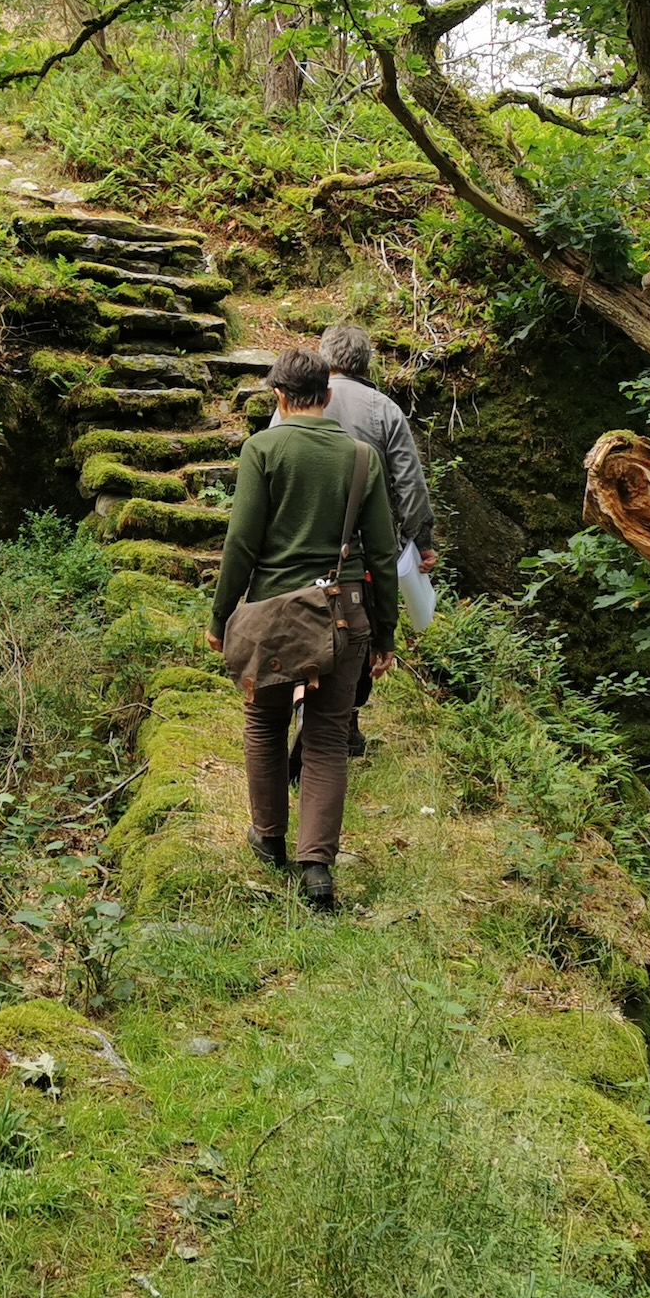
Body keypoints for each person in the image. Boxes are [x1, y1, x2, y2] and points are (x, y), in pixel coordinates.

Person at [207, 347, 399, 910]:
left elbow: (241, 543)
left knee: (264, 725)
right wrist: (384, 636)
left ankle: (268, 839)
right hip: (345, 614)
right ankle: (317, 866)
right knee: (328, 737)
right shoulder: (362, 457)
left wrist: (221, 618)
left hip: (274, 616)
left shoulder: (262, 449)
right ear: (329, 394)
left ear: (279, 396)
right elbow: (382, 555)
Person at [284, 322, 434, 770]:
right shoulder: (384, 409)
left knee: (303, 620)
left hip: (298, 538)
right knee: (359, 628)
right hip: (364, 545)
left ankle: (303, 701)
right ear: (365, 363)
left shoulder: (291, 403)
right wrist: (420, 541)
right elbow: (409, 484)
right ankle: (343, 721)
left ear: (324, 360)